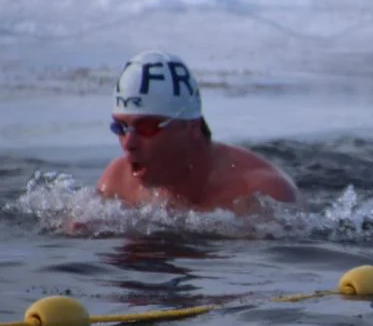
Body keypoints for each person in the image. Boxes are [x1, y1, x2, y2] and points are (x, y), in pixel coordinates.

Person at [97, 50, 300, 213]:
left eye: (146, 128)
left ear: (192, 127)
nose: (128, 143)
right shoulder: (117, 183)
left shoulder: (262, 194)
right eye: (120, 127)